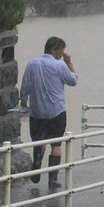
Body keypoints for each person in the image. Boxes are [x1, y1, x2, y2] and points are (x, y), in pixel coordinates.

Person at [19, 36, 78, 191]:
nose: (62, 54)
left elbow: (25, 85)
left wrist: (23, 102)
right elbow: (73, 81)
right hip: (56, 111)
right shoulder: (60, 65)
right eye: (61, 50)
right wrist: (69, 63)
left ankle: (37, 165)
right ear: (54, 50)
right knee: (56, 144)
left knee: (39, 141)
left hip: (37, 111)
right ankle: (53, 179)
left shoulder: (32, 64)